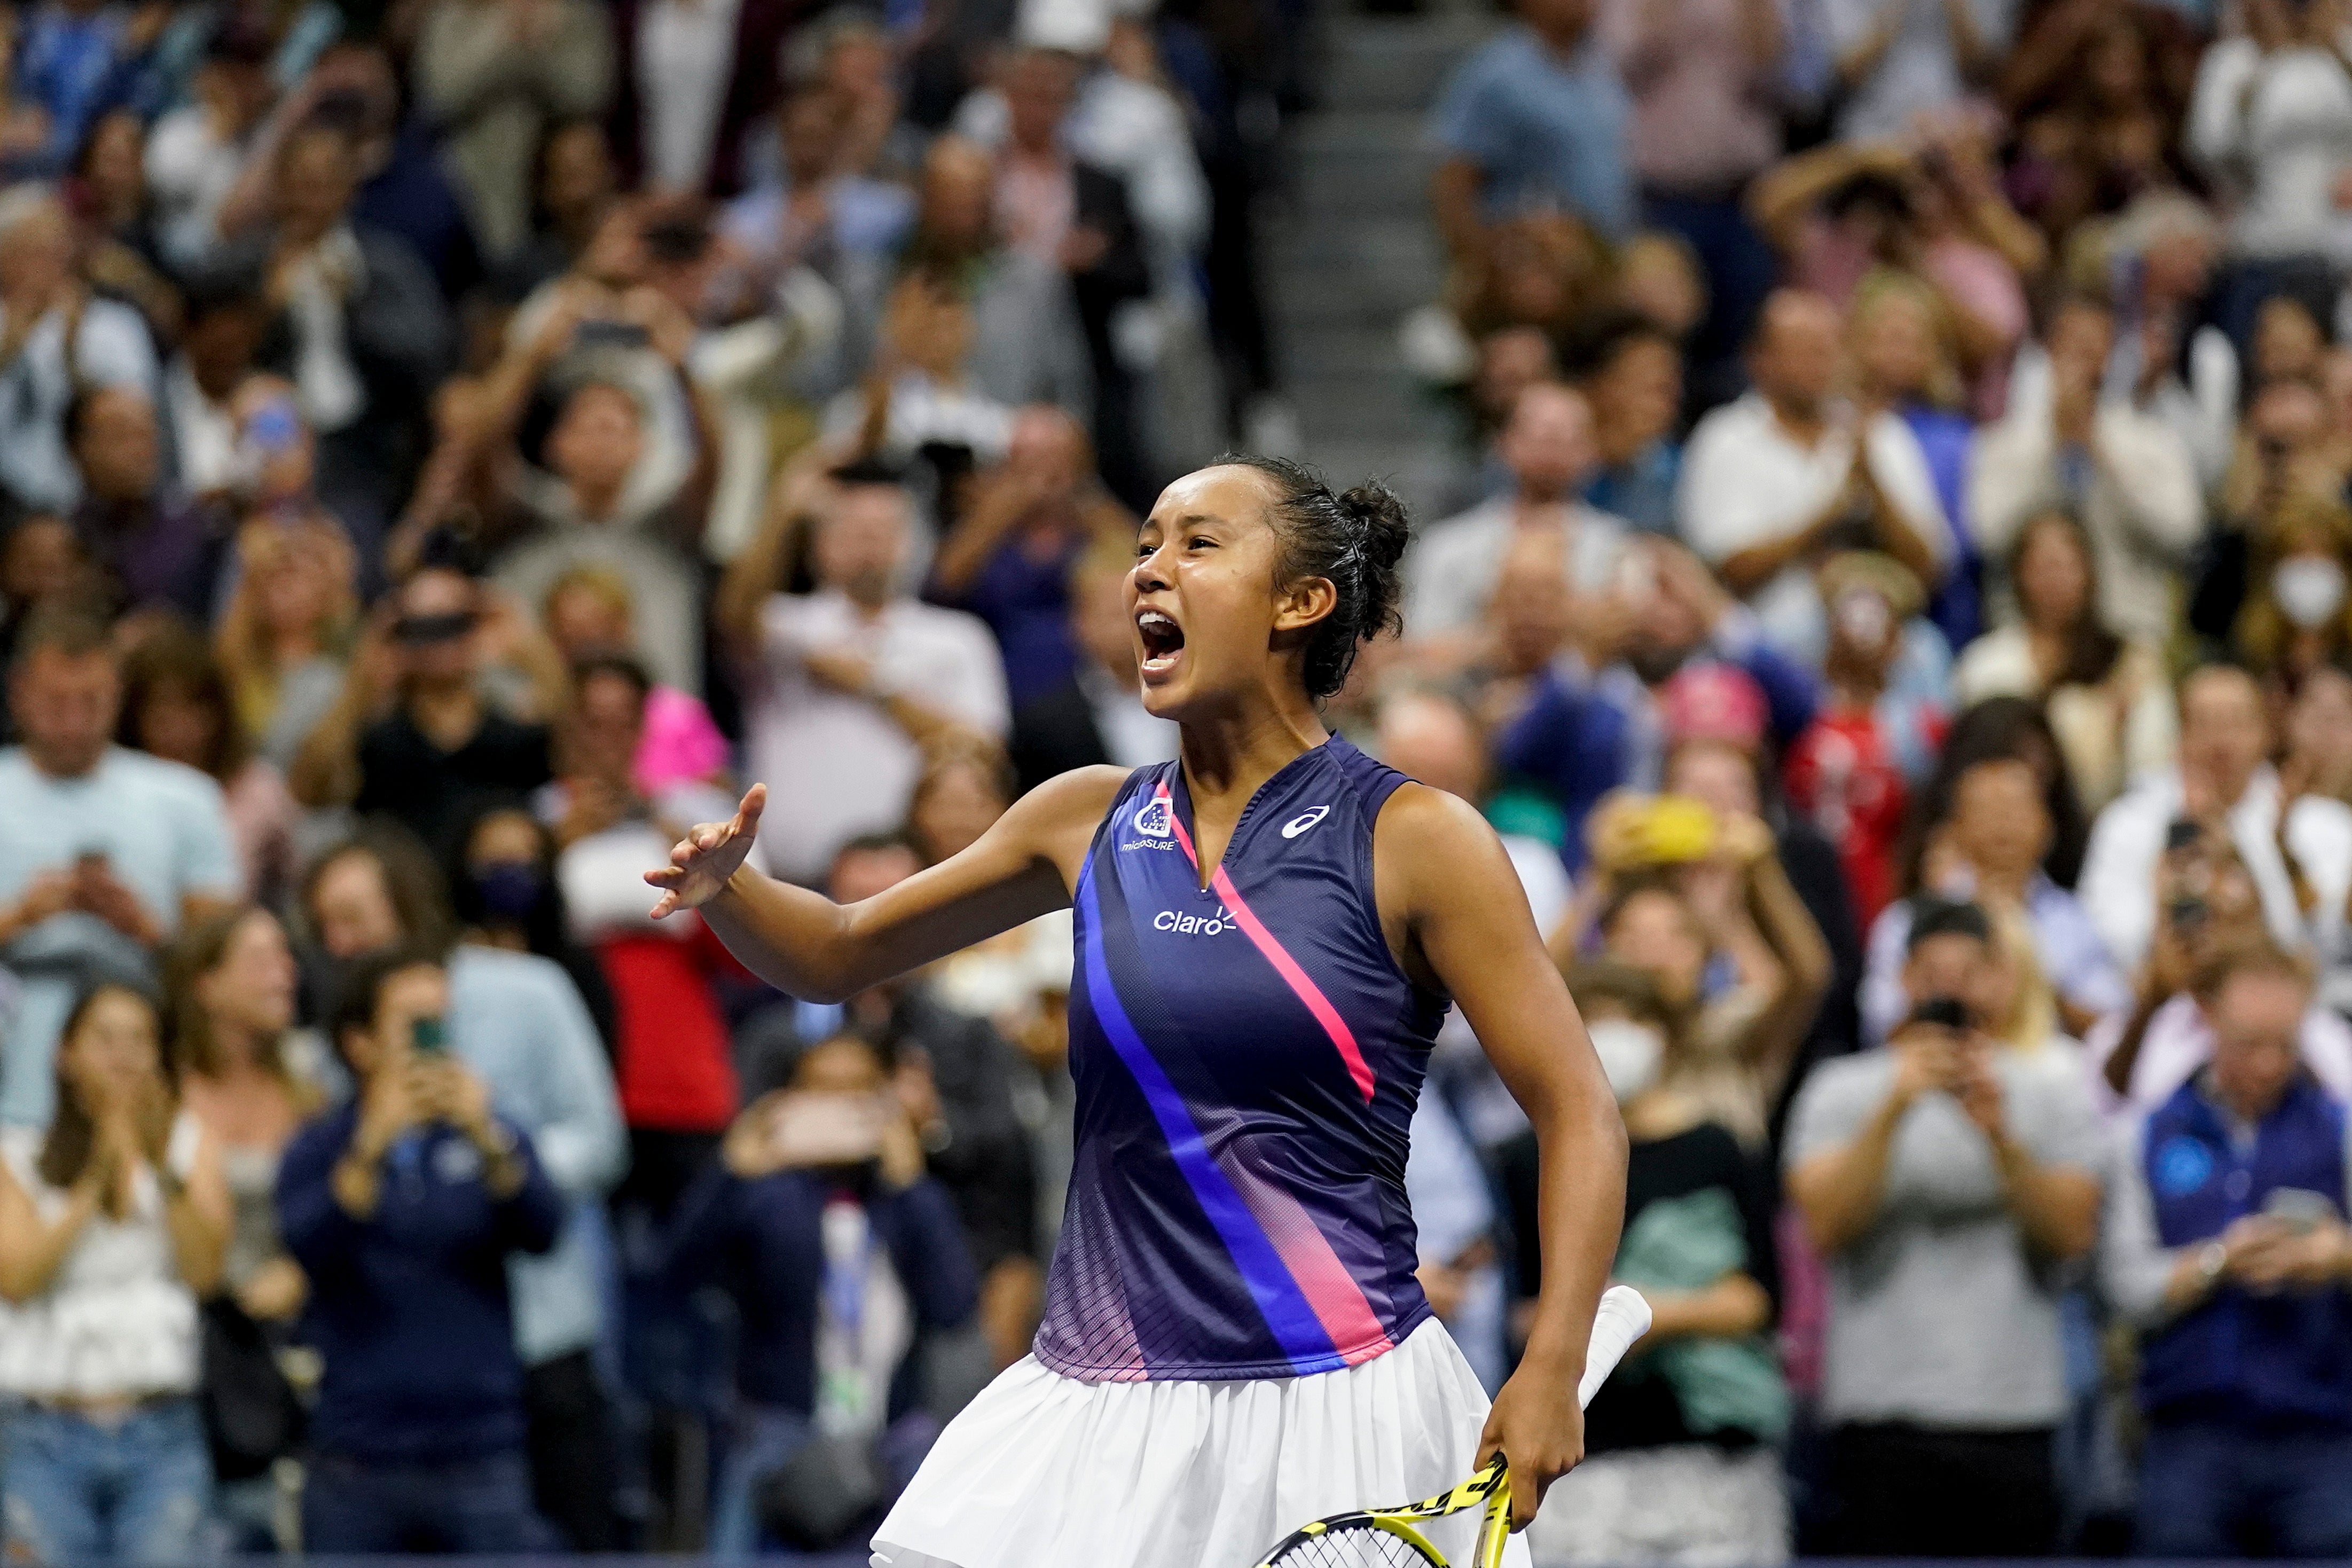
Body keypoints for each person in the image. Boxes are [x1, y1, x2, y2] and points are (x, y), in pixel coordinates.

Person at [646, 456, 1628, 1565]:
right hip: (1099, 1407)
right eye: (1146, 544)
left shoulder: (1418, 839)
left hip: (1337, 1396)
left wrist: (1551, 1360)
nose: (1149, 570)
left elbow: (1579, 1108)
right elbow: (834, 954)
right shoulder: (1081, 817)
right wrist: (730, 887)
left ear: (1299, 604)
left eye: (1199, 544)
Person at [296, 831, 626, 1550]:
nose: (337, 939)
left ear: (409, 906)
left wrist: (494, 1153)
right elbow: (327, 1206)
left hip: (542, 1332)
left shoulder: (527, 988)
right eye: (325, 925)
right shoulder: (344, 1029)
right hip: (394, 1367)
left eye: (352, 916)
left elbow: (599, 1141)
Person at [1785, 897, 2103, 1557]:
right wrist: (1893, 1109)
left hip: (2015, 1410)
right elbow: (1823, 1226)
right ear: (1904, 980)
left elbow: (2074, 1233)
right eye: (1933, 971)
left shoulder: (2053, 1090)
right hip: (1880, 1413)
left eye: (1971, 970)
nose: (1951, 988)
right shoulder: (1842, 1088)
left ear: (2004, 979)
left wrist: (2002, 1140)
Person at [278, 946, 565, 1551]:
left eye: (442, 1022)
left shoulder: (493, 1133)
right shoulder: (321, 1146)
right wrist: (372, 1144)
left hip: (480, 1451)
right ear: (361, 1042)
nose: (434, 1041)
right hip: (359, 1458)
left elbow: (544, 1229)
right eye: (415, 1024)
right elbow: (310, 1249)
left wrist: (487, 1140)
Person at [1508, 961, 1790, 1566]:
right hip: (1585, 1463)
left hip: (1716, 1460)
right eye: (1594, 1020)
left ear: (1666, 1035)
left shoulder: (1718, 1148)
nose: (1614, 1036)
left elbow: (1762, 1300)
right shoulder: (1526, 1158)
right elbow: (1517, 1311)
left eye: (1631, 1020)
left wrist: (1640, 1311)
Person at [669, 1031, 979, 1556]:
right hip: (781, 1435)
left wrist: (912, 1181)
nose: (842, 1106)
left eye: (859, 1090)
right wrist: (732, 1170)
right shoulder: (767, 1194)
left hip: (892, 1440)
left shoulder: (903, 1198)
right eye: (824, 1089)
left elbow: (955, 1307)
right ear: (792, 1097)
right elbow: (677, 1276)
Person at [2100, 939, 2352, 1558]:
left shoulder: (2341, 1128)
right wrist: (2218, 1262)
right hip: (2190, 1433)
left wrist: (2338, 1257)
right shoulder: (2149, 1132)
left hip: (2321, 1431)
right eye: (2249, 1042)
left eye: (2285, 1043)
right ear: (2206, 1019)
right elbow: (2123, 1285)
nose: (2269, 1063)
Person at [0, 979, 229, 1565]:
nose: (123, 1055)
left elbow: (205, 1270)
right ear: (64, 1053)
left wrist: (157, 1162)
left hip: (162, 1430)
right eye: (104, 1038)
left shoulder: (189, 1145)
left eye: (139, 1039)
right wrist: (96, 1177)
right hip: (45, 1433)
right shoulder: (19, 1154)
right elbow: (19, 1276)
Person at [0, 607, 242, 1127]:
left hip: (151, 1070)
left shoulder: (186, 798)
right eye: (54, 702)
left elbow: (227, 957)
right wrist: (20, 917)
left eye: (91, 701)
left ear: (119, 693)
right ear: (19, 691)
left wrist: (145, 928)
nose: (72, 721)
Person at [719, 460, 1010, 884]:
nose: (870, 546)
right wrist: (784, 512)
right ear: (821, 544)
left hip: (916, 877)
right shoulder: (785, 625)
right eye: (854, 532)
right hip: (791, 880)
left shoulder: (957, 637)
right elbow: (731, 616)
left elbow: (984, 753)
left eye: (885, 531)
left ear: (912, 542)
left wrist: (871, 684)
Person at [1676, 289, 1950, 666]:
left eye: (1829, 348)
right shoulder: (1727, 438)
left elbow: (1928, 568)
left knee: (1930, 651)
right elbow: (1730, 569)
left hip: (1878, 638)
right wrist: (1824, 517)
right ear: (1761, 360)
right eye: (1804, 350)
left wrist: (1873, 480)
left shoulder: (1880, 433)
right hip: (1763, 641)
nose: (1821, 362)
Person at [2080, 662, 2352, 972]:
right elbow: (2109, 939)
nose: (2221, 741)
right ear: (2180, 735)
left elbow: (2331, 947)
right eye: (2205, 723)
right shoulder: (2127, 823)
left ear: (2267, 733)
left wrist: (2278, 850)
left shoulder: (2325, 824)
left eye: (2236, 723)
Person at [1969, 293, 2204, 649]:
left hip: (2131, 634)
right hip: (2026, 638)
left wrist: (2101, 451)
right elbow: (1988, 536)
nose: (2086, 361)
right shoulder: (2003, 443)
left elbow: (2182, 533)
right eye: (2073, 346)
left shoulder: (2152, 442)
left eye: (2098, 347)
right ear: (2048, 352)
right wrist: (2052, 449)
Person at [291, 565, 563, 855]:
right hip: (404, 890)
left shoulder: (514, 732)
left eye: (454, 624)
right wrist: (364, 675)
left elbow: (575, 743)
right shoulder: (380, 740)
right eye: (423, 628)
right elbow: (308, 790)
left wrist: (526, 645)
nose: (441, 643)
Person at [1862, 755, 2129, 1047]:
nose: (2003, 824)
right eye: (1987, 810)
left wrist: (2025, 982)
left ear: (2047, 826)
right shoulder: (1907, 920)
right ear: (1954, 828)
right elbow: (1879, 1028)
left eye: (2016, 810)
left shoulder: (2074, 919)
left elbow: (2113, 1028)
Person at [1954, 507, 2177, 811]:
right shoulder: (1984, 664)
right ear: (2019, 575)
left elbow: (2153, 762)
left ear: (2090, 572)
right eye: (2043, 566)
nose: (2055, 579)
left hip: (2106, 819)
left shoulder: (2130, 659)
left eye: (2066, 565)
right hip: (2009, 819)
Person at [1401, 381, 1627, 667]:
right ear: (1505, 442)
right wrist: (1498, 640)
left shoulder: (1620, 547)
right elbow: (1418, 648)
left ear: (1593, 450)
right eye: (1542, 436)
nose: (1553, 450)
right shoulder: (1448, 546)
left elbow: (1629, 644)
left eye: (1569, 438)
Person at [1429, 0, 1633, 255]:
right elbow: (1455, 180)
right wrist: (1481, 264)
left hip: (1600, 263)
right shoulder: (1497, 75)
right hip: (1536, 271)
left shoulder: (1600, 66)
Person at [121, 624, 298, 907]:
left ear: (219, 715)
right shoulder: (112, 787)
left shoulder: (258, 789)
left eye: (193, 711)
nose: (180, 730)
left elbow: (292, 888)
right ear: (134, 721)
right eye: (163, 716)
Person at [1007, 535, 1180, 793]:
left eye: (1142, 610)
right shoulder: (1042, 728)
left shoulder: (1208, 704)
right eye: (1114, 614)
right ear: (1079, 622)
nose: (1130, 626)